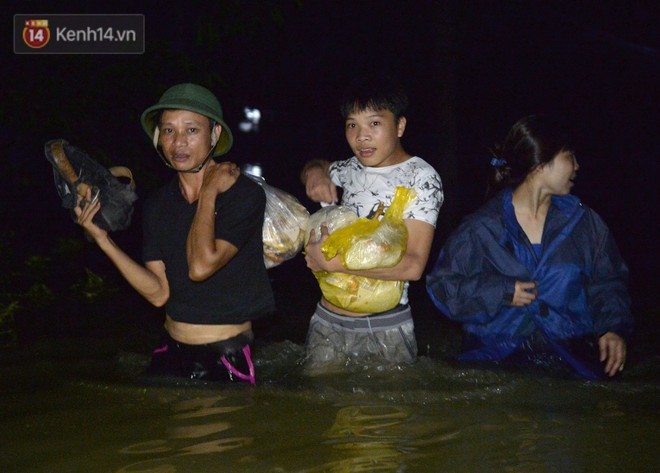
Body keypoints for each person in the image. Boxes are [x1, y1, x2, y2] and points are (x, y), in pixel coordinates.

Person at [74, 83, 275, 384]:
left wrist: (208, 193)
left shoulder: (244, 195)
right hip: (170, 348)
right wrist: (104, 240)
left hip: (225, 353)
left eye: (192, 130)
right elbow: (158, 294)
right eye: (168, 131)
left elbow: (201, 266)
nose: (179, 142)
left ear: (215, 134)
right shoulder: (157, 205)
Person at [426, 115, 633, 380]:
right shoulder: (481, 229)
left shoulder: (585, 223)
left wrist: (612, 329)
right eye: (570, 156)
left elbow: (608, 280)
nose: (577, 166)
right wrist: (500, 291)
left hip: (571, 357)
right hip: (495, 360)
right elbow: (442, 286)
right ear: (540, 164)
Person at [300, 75, 444, 371]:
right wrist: (314, 173)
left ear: (400, 126)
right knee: (316, 411)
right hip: (327, 322)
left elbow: (414, 265)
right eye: (353, 125)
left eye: (375, 124)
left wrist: (335, 264)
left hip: (385, 327)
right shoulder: (350, 168)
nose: (361, 136)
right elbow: (315, 166)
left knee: (387, 415)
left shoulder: (421, 178)